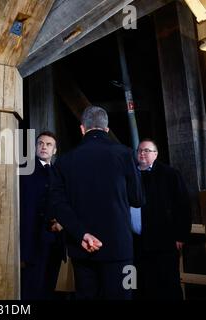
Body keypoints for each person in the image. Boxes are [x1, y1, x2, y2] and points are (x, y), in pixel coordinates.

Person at [47, 106, 144, 300]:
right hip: (119, 249)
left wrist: (81, 233)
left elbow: (57, 204)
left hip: (82, 249)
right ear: (106, 129)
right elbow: (137, 198)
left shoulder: (64, 161)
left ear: (82, 128)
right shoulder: (125, 154)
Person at [131, 139, 192, 300]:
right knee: (134, 285)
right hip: (135, 243)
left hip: (163, 242)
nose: (142, 153)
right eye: (140, 151)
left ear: (156, 154)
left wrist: (181, 235)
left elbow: (183, 206)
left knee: (167, 285)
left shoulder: (170, 174)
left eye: (147, 150)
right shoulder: (130, 174)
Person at [20, 131, 65, 300]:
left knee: (49, 288)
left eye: (48, 144)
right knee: (32, 288)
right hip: (33, 240)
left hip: (55, 240)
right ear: (35, 147)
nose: (44, 147)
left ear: (54, 151)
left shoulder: (58, 174)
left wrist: (62, 222)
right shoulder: (24, 172)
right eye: (40, 143)